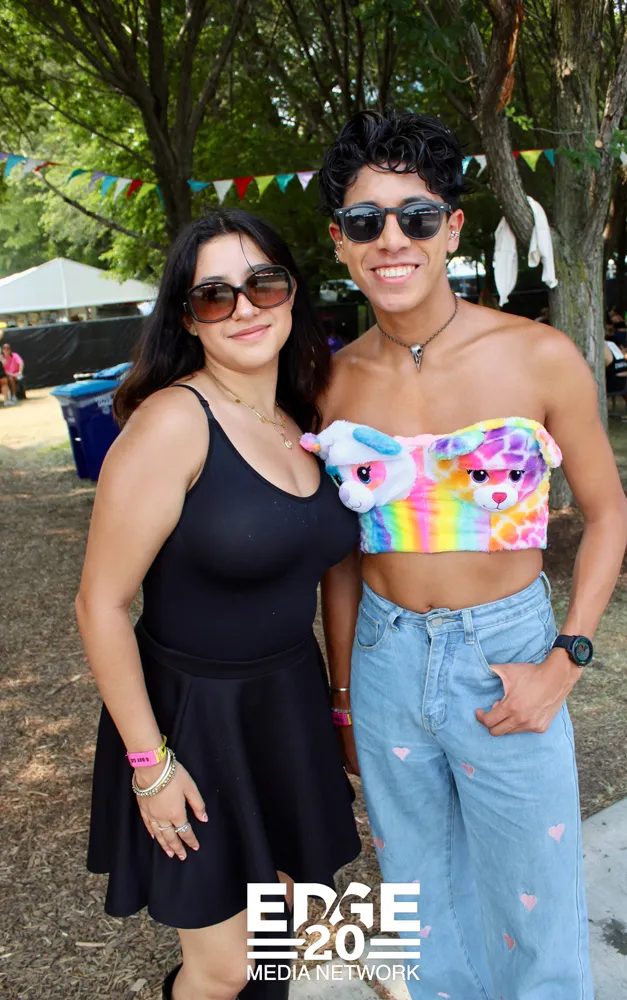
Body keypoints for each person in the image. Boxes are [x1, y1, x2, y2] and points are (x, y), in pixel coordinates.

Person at [303, 110, 627, 1000]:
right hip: (382, 659)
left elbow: (608, 515)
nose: (391, 239)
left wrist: (566, 658)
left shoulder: (538, 355)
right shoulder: (328, 382)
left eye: (415, 216)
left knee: (536, 903)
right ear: (340, 241)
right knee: (417, 902)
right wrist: (343, 697)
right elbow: (340, 560)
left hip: (507, 651)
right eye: (365, 221)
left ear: (451, 227)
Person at [76, 209, 361, 1000]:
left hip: (288, 703)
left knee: (282, 930)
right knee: (223, 967)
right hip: (193, 721)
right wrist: (148, 765)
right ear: (185, 317)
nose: (243, 308)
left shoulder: (302, 417)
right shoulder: (174, 422)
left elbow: (337, 565)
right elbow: (100, 605)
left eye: (262, 283)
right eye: (214, 295)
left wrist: (338, 706)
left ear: (291, 292)